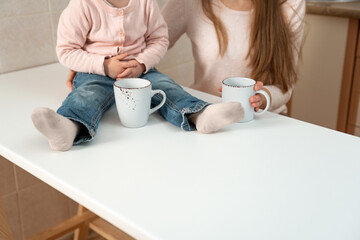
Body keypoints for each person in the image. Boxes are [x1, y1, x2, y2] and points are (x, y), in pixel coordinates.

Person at [31, 0, 248, 151]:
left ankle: (200, 114)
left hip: (141, 72)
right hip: (95, 72)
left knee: (166, 86)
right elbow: (66, 50)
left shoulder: (145, 3)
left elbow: (159, 39)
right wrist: (103, 65)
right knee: (87, 94)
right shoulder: (83, 5)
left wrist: (142, 63)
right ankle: (68, 127)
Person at [161, 0, 306, 115]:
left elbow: (285, 85)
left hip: (265, 121)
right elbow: (149, 44)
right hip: (206, 116)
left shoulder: (290, 3)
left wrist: (261, 96)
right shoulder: (189, 3)